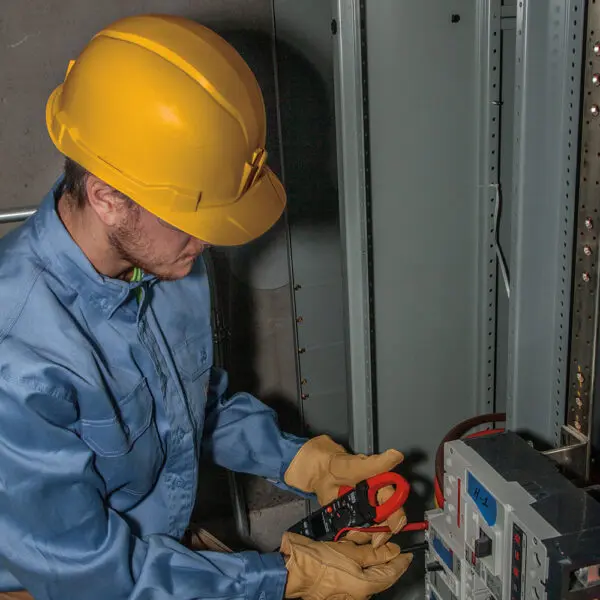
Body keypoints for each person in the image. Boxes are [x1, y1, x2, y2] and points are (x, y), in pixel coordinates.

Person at [0, 14, 412, 600]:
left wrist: (302, 463)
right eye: (194, 222)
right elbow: (91, 574)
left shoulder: (166, 263)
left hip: (160, 555)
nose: (208, 242)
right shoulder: (16, 359)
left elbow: (189, 405)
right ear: (109, 199)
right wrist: (286, 578)